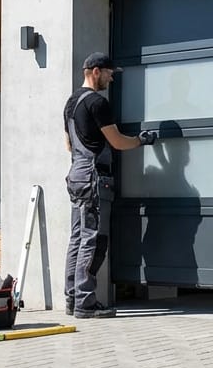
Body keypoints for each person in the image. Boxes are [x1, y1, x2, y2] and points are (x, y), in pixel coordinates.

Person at [62, 52, 157, 319]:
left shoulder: (71, 103)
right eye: (109, 72)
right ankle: (86, 303)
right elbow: (117, 142)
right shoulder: (97, 102)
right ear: (95, 71)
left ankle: (72, 298)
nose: (112, 77)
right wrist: (141, 140)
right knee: (93, 240)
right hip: (93, 177)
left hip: (76, 174)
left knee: (77, 238)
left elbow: (68, 144)